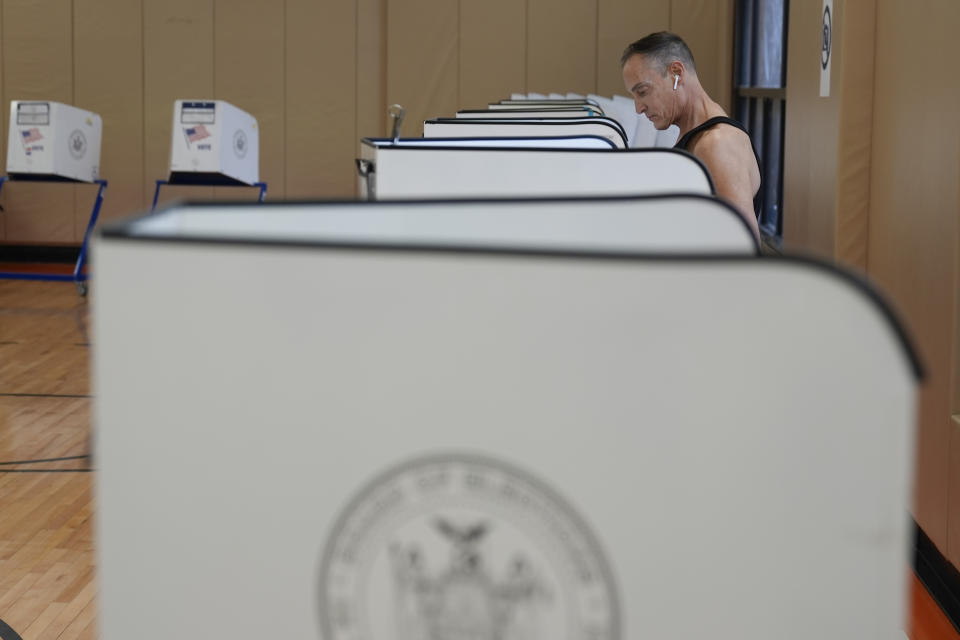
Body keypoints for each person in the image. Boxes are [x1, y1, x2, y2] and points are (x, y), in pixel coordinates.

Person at [621, 32, 761, 241]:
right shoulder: (696, 135)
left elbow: (743, 244)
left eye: (642, 92)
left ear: (676, 73)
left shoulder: (717, 143)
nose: (639, 108)